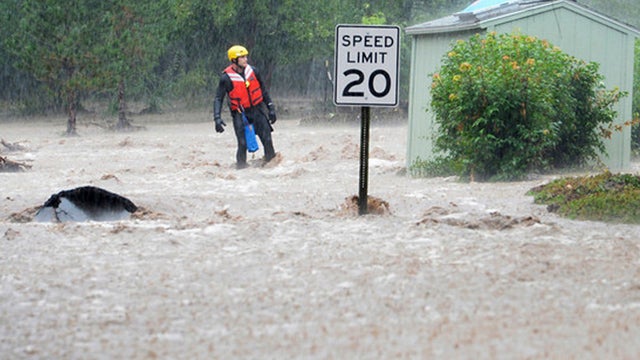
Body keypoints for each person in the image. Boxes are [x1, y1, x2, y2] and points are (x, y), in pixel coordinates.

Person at [213, 45, 277, 169]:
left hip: (257, 110)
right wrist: (217, 118)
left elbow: (263, 90)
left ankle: (272, 166)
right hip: (240, 114)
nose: (245, 59)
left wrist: (271, 107)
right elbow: (218, 98)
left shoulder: (253, 71)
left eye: (245, 56)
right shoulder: (226, 78)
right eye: (242, 57)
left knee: (267, 139)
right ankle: (241, 170)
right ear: (234, 60)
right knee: (242, 144)